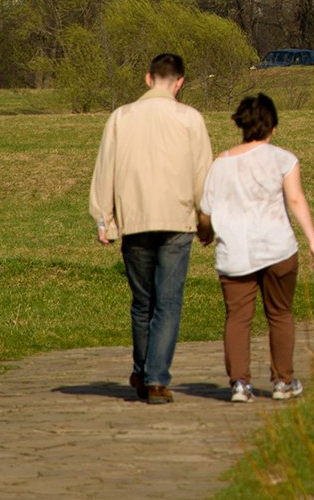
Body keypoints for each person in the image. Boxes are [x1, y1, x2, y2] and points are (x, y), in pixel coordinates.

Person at [88, 51, 214, 405]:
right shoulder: (191, 119)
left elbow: (105, 169)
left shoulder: (121, 117)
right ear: (180, 82)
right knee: (168, 303)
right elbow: (203, 175)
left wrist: (104, 218)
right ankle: (156, 378)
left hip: (135, 220)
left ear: (147, 78)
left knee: (143, 302)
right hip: (178, 220)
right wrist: (207, 222)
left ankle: (144, 372)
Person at [201, 93, 314, 403]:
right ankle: (283, 380)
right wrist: (313, 241)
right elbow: (295, 200)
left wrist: (204, 232)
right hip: (277, 248)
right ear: (273, 127)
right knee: (280, 314)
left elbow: (205, 211)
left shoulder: (221, 162)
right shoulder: (283, 159)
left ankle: (240, 383)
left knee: (238, 317)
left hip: (235, 250)